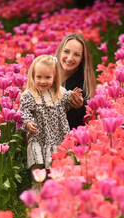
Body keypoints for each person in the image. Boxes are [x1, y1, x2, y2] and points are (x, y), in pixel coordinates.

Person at [19, 55, 81, 189]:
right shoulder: (29, 96)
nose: (42, 81)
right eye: (39, 77)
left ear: (54, 78)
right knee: (37, 161)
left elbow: (69, 101)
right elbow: (23, 113)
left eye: (47, 77)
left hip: (57, 135)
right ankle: (36, 185)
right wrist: (28, 123)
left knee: (55, 160)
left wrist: (74, 97)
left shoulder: (59, 93)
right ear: (33, 76)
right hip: (39, 136)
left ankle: (54, 183)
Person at [55, 33, 97, 130]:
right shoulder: (46, 74)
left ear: (82, 59)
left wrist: (80, 108)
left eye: (76, 54)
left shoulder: (84, 84)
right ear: (60, 52)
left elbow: (84, 124)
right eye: (66, 52)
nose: (70, 58)